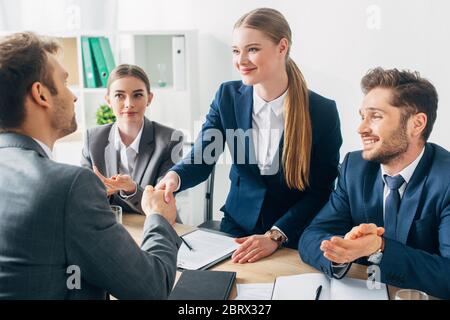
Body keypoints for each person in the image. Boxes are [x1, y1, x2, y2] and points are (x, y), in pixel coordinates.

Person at [0, 32, 181, 299]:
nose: (74, 96)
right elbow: (152, 288)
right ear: (41, 94)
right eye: (64, 82)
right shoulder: (69, 186)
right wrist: (158, 218)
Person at [156, 8, 342, 263]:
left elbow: (321, 190)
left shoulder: (321, 111)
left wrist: (275, 235)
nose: (241, 60)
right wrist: (174, 177)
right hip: (237, 230)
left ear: (282, 47)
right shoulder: (227, 97)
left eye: (252, 49)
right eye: (236, 51)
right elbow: (202, 157)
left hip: (293, 235)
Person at [299, 68, 450, 299]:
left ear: (416, 124)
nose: (361, 128)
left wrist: (379, 247)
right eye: (362, 116)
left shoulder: (446, 179)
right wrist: (340, 252)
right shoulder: (354, 167)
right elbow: (312, 235)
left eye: (376, 116)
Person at [81, 64, 183, 215]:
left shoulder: (170, 140)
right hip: (109, 228)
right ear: (108, 100)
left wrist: (132, 189)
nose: (129, 104)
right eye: (119, 96)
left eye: (137, 95)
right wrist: (98, 192)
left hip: (154, 229)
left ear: (149, 98)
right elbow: (81, 197)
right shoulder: (93, 139)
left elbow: (163, 204)